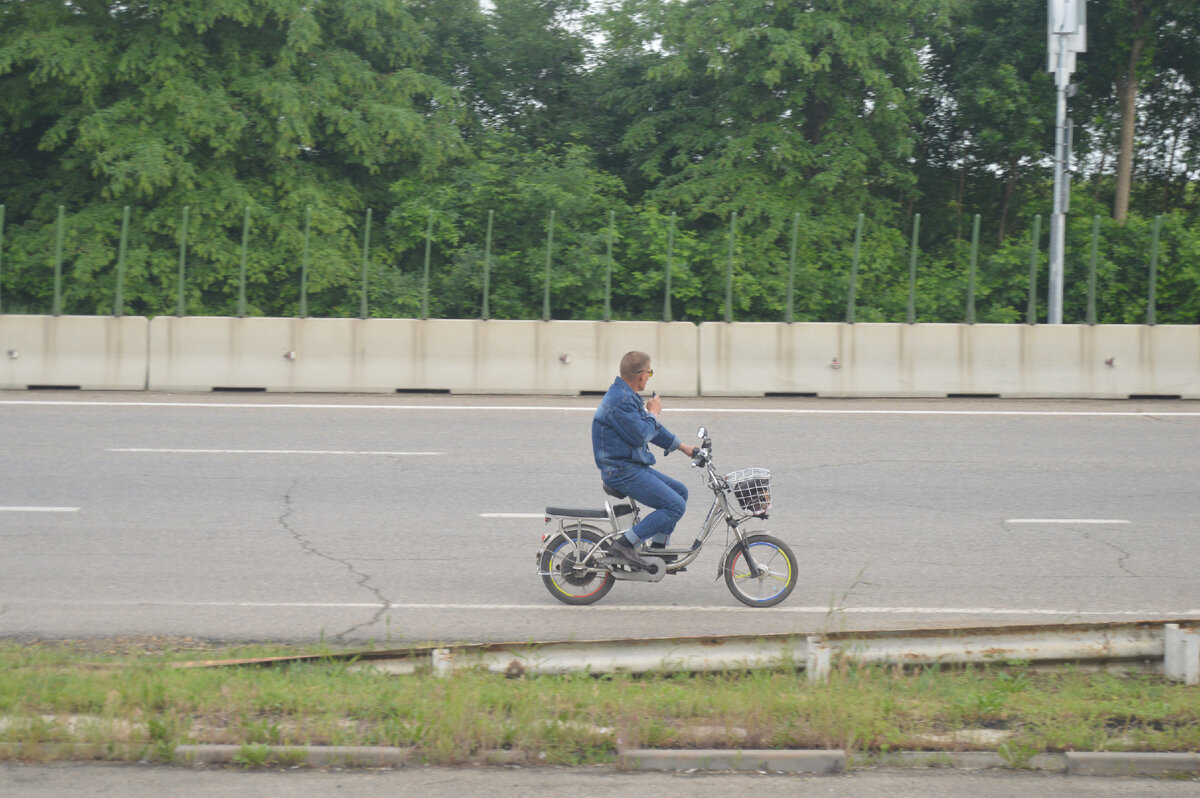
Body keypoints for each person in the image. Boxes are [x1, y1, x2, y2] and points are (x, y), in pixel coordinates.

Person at [592, 351, 697, 569]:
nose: (649, 377)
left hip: (631, 465)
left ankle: (658, 550)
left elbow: (651, 431)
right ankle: (623, 545)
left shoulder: (626, 396)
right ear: (641, 375)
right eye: (649, 372)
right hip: (621, 470)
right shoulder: (620, 400)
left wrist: (683, 447)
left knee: (680, 492)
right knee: (674, 506)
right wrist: (654, 412)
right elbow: (641, 434)